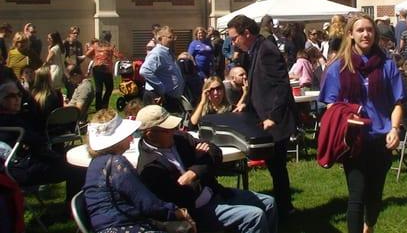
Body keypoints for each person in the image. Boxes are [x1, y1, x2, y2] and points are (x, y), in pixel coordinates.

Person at [319, 14, 404, 233]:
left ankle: (370, 226)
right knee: (356, 196)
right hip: (354, 140)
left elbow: (397, 102)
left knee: (374, 196)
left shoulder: (386, 63)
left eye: (369, 30)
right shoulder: (338, 66)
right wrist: (349, 115)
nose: (366, 34)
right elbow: (330, 105)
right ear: (350, 34)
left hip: (381, 139)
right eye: (360, 30)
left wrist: (395, 129)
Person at [136, 105, 278, 233]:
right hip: (197, 211)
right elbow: (181, 197)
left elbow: (214, 151)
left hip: (215, 192)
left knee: (269, 203)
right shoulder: (150, 167)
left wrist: (194, 172)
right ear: (150, 133)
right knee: (254, 216)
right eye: (167, 129)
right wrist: (202, 165)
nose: (173, 130)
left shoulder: (179, 138)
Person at [227, 14, 297, 217]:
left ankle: (285, 209)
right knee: (274, 165)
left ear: (246, 33)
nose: (233, 42)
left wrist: (273, 117)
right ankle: (284, 207)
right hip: (263, 116)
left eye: (234, 38)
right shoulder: (254, 50)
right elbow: (257, 84)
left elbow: (282, 85)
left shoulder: (267, 50)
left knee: (277, 167)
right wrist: (246, 104)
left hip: (274, 119)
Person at [83, 108, 195, 233]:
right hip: (122, 226)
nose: (131, 138)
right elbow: (148, 204)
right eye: (127, 135)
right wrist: (178, 212)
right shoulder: (117, 164)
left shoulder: (96, 164)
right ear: (116, 141)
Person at [0, 80, 83, 211]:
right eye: (11, 96)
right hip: (18, 171)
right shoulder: (13, 122)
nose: (17, 99)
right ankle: (73, 209)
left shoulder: (11, 118)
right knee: (78, 166)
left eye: (19, 95)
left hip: (8, 171)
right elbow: (39, 141)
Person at [140, 26, 184, 113]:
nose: (174, 40)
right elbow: (144, 71)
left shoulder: (167, 52)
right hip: (158, 97)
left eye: (174, 37)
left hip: (170, 98)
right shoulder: (157, 53)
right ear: (160, 38)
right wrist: (161, 88)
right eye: (170, 37)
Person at [85, 31, 120, 110]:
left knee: (98, 89)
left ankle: (98, 107)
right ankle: (104, 105)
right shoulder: (111, 46)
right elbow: (118, 55)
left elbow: (87, 54)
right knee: (109, 88)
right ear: (109, 38)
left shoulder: (95, 45)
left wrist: (94, 57)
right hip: (106, 69)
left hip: (96, 68)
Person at [63, 26, 85, 99]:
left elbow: (80, 57)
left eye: (77, 33)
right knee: (70, 88)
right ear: (69, 33)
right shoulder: (65, 43)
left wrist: (82, 58)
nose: (76, 35)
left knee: (78, 89)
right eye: (74, 33)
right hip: (67, 69)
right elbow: (62, 57)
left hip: (76, 69)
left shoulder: (79, 44)